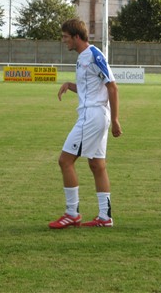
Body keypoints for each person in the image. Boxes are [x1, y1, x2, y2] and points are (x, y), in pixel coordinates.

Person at [49, 19, 122, 229]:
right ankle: (105, 217)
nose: (64, 41)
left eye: (66, 37)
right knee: (97, 165)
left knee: (65, 161)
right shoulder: (82, 58)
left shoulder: (94, 55)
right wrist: (69, 85)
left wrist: (116, 119)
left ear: (77, 37)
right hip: (93, 113)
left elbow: (113, 87)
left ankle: (72, 214)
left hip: (93, 116)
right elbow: (90, 87)